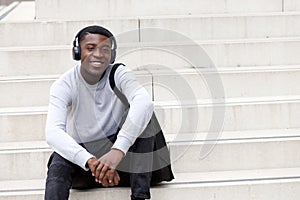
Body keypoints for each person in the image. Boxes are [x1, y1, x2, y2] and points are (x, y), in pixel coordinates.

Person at [44, 25, 174, 200]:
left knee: (146, 117)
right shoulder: (64, 84)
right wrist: (91, 161)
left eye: (105, 49)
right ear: (77, 52)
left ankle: (140, 197)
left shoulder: (119, 73)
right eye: (90, 48)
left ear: (111, 54)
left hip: (124, 163)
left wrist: (117, 151)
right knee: (58, 159)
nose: (98, 54)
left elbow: (144, 102)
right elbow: (53, 133)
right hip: (86, 167)